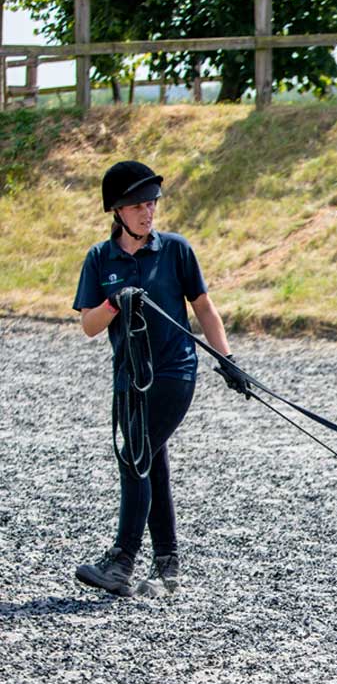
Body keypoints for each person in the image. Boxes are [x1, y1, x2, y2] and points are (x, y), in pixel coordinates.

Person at [72, 160, 252, 598]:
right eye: (137, 205)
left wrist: (227, 360)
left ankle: (122, 560)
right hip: (129, 379)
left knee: (136, 457)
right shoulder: (100, 259)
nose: (147, 212)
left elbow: (204, 308)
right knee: (150, 462)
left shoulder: (175, 249)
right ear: (117, 210)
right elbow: (89, 325)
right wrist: (115, 302)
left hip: (174, 372)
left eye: (151, 203)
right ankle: (168, 566)